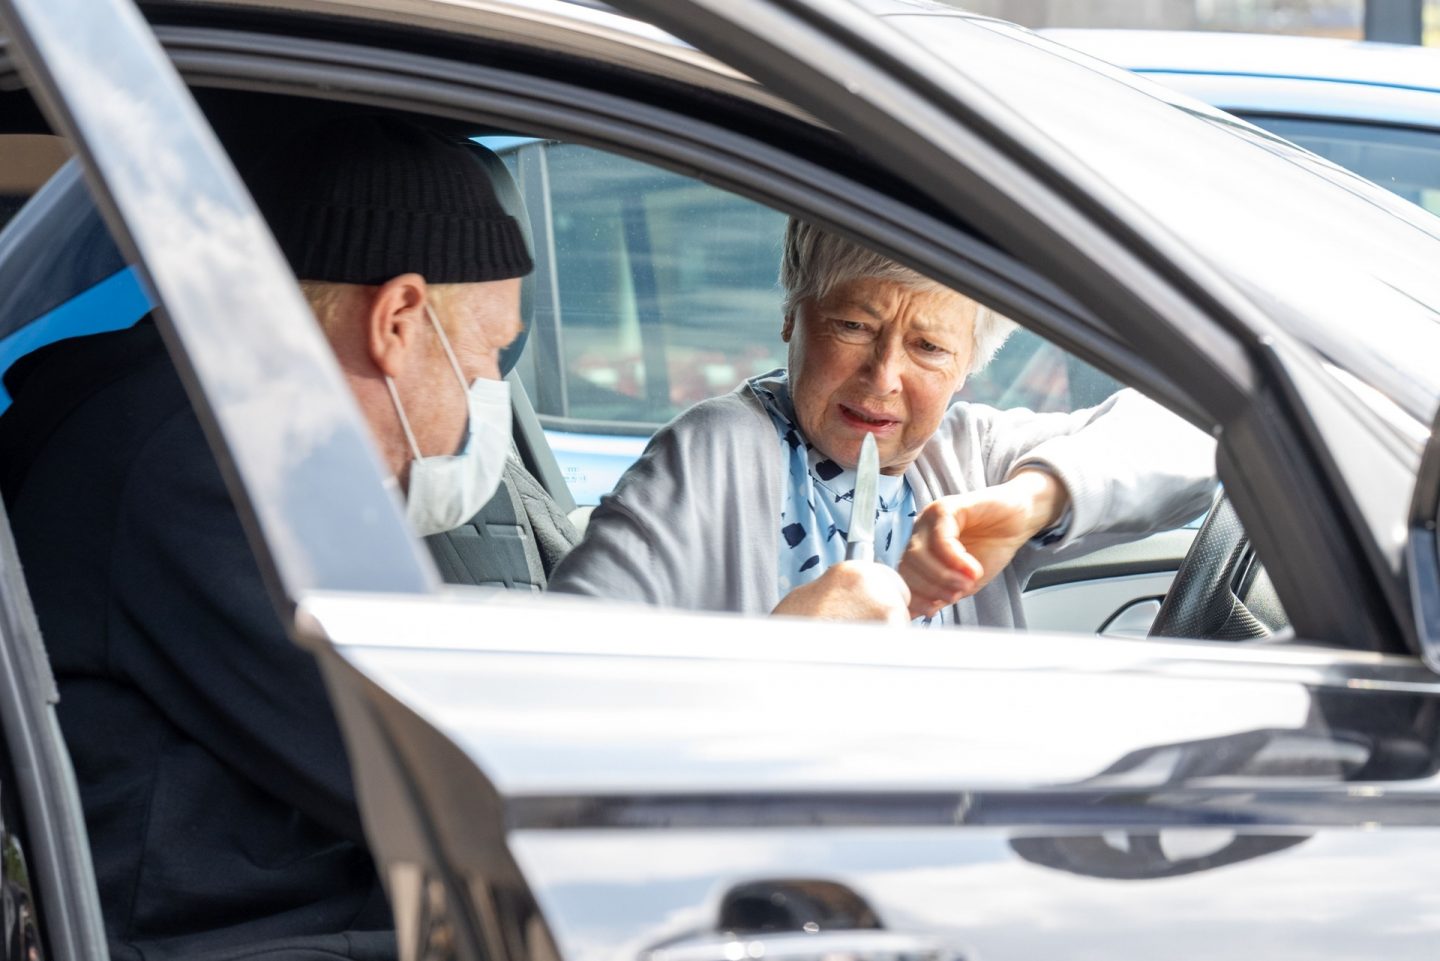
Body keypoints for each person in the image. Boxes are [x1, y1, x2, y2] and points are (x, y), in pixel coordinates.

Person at [0, 116, 530, 960]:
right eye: (486, 354)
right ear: (397, 320)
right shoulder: (197, 466)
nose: (491, 387)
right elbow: (421, 773)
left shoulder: (203, 428)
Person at [549, 218, 1216, 625]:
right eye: (853, 325)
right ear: (792, 315)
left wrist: (1027, 503)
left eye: (928, 347)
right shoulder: (711, 455)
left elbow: (1201, 436)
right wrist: (775, 648)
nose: (883, 376)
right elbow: (559, 663)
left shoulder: (972, 460)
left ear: (968, 367)